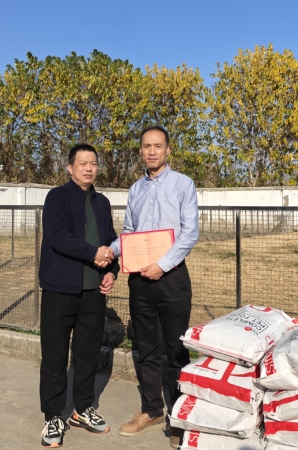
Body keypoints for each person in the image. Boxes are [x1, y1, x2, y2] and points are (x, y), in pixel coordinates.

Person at [109, 125, 199, 448]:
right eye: (146, 146)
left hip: (171, 277)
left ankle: (179, 417)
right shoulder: (135, 189)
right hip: (139, 279)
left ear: (167, 150)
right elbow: (128, 232)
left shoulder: (183, 184)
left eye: (157, 145)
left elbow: (190, 232)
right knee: (146, 348)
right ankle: (151, 410)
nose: (152, 151)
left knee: (175, 349)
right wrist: (111, 251)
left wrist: (162, 264)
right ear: (141, 151)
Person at [38, 143, 119, 447]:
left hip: (93, 291)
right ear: (70, 168)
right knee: (55, 355)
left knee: (88, 354)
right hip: (60, 289)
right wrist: (92, 253)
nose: (89, 168)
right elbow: (59, 237)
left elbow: (110, 240)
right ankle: (53, 416)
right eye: (82, 163)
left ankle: (82, 410)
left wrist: (112, 271)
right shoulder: (57, 197)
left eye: (93, 163)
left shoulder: (102, 202)